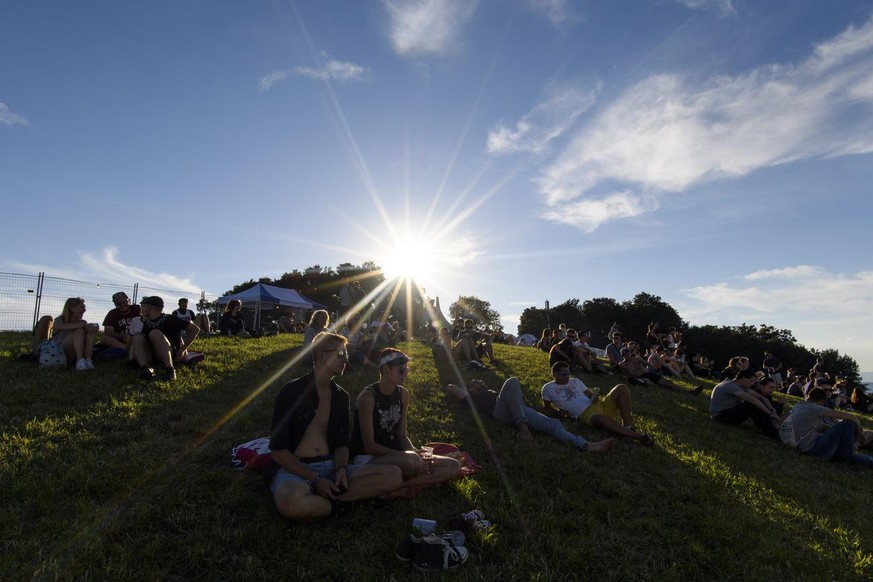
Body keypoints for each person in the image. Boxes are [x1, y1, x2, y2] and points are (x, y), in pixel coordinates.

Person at [269, 333, 402, 519]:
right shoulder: (291, 392)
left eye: (347, 355)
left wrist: (340, 469)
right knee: (290, 502)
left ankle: (325, 500)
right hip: (297, 470)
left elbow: (341, 444)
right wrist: (315, 480)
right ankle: (340, 503)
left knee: (394, 475)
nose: (346, 360)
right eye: (340, 355)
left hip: (332, 467)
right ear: (322, 355)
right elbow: (278, 450)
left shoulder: (341, 396)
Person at [350, 348, 460, 489]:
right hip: (368, 458)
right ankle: (413, 475)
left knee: (453, 465)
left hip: (396, 455)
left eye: (407, 370)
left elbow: (401, 435)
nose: (406, 374)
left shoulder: (403, 394)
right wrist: (406, 456)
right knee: (413, 461)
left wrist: (413, 451)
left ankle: (405, 484)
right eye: (401, 370)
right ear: (386, 370)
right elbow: (369, 446)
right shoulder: (368, 397)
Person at [443, 377, 614, 453]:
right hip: (499, 411)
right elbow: (451, 387)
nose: (480, 381)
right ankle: (523, 429)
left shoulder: (492, 391)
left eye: (479, 381)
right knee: (512, 381)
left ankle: (586, 445)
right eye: (476, 382)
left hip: (519, 408)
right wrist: (468, 391)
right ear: (471, 388)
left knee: (553, 424)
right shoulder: (473, 397)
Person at [541, 361, 655, 446]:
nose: (567, 377)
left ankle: (627, 426)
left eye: (568, 373)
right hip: (585, 414)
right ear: (555, 374)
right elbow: (547, 406)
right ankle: (637, 436)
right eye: (564, 374)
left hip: (599, 405)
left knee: (621, 388)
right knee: (600, 419)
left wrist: (594, 397)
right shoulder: (548, 388)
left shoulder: (575, 381)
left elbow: (590, 395)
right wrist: (561, 414)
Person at [781, 388, 873, 469]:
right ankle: (846, 455)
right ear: (822, 402)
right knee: (849, 423)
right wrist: (859, 430)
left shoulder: (798, 406)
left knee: (865, 457)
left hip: (804, 446)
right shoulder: (814, 408)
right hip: (814, 449)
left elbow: (821, 427)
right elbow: (851, 417)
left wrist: (838, 430)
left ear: (808, 396)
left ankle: (846, 453)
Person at [130, 296, 199, 381]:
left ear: (150, 307)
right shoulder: (147, 322)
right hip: (154, 355)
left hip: (170, 353)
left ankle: (169, 369)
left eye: (144, 306)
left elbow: (195, 329)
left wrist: (183, 349)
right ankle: (145, 368)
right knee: (137, 336)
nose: (142, 309)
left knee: (155, 333)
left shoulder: (169, 318)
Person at [709, 369, 780, 438]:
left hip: (729, 412)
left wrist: (772, 411)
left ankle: (773, 427)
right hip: (719, 416)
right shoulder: (730, 386)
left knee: (757, 403)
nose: (752, 383)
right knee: (750, 405)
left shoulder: (742, 386)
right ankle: (772, 433)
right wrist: (769, 414)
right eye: (751, 381)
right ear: (743, 378)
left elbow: (761, 397)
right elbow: (752, 400)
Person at [618, 348, 703, 394]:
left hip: (647, 373)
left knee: (669, 382)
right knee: (649, 382)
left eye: (628, 353)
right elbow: (625, 376)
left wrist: (652, 365)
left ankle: (689, 391)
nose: (628, 355)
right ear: (622, 355)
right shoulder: (622, 364)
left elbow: (647, 363)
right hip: (639, 378)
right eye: (625, 354)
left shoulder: (637, 359)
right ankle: (662, 386)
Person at [50, 297, 99, 370]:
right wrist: (83, 325)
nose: (84, 310)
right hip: (60, 353)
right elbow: (58, 326)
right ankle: (80, 361)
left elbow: (89, 329)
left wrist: (93, 328)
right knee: (78, 330)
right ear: (71, 308)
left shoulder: (82, 322)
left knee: (89, 332)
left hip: (75, 353)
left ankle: (87, 360)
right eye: (81, 307)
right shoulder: (60, 320)